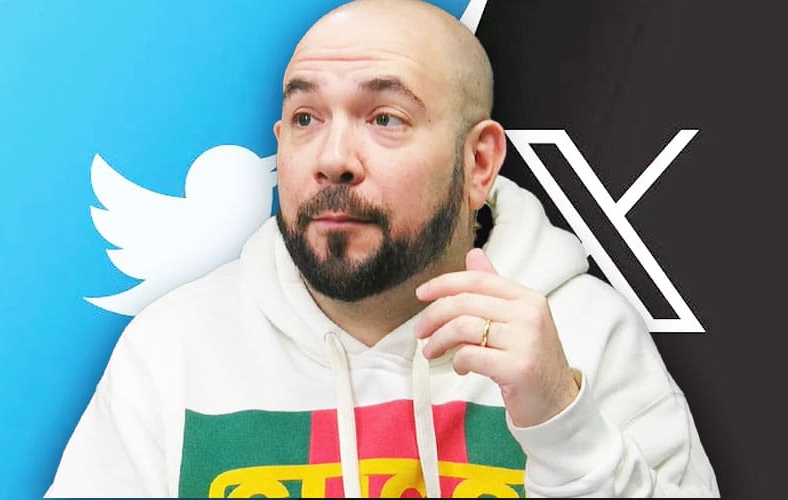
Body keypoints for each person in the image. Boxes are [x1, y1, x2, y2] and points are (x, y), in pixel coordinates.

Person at [45, 0, 719, 497]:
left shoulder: (583, 333)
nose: (332, 158)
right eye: (306, 118)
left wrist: (563, 424)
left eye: (385, 118)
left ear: (479, 163)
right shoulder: (174, 349)